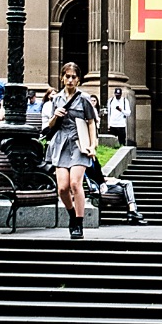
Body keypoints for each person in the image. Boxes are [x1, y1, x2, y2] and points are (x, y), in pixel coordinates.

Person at [44, 62, 99, 240]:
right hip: (60, 144)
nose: (70, 79)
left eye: (73, 77)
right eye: (67, 76)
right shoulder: (56, 99)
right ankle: (72, 215)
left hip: (78, 144)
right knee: (62, 188)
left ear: (78, 79)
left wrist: (92, 145)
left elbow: (91, 123)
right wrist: (55, 116)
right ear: (62, 78)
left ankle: (79, 223)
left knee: (75, 184)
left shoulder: (83, 98)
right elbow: (50, 126)